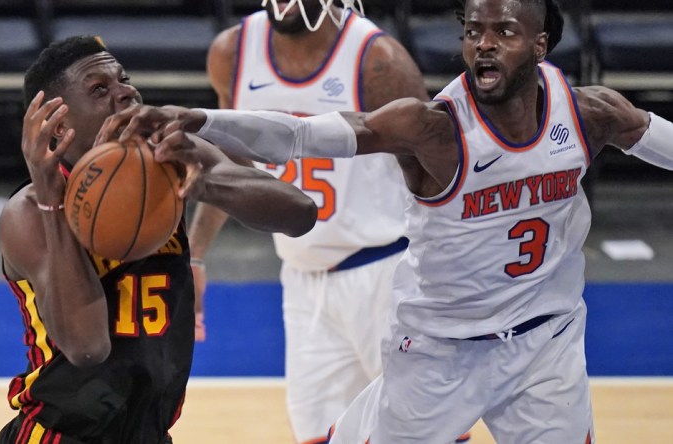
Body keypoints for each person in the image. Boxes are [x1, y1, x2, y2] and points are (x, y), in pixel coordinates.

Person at [97, 0, 673, 441]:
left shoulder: (590, 114)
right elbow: (300, 135)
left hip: (544, 345)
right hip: (438, 351)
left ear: (542, 44)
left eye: (504, 32)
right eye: (473, 32)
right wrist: (198, 119)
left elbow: (659, 139)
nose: (485, 46)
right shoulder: (431, 127)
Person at [0, 35, 317, 444]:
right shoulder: (28, 212)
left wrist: (202, 183)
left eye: (123, 80)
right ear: (60, 125)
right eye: (100, 89)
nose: (125, 91)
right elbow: (87, 347)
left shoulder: (168, 159)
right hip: (60, 435)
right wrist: (50, 199)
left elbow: (299, 213)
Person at [183, 2, 471, 443]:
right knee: (320, 436)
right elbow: (231, 168)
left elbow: (442, 175)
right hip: (303, 280)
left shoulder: (379, 61)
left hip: (389, 275)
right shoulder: (233, 52)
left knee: (428, 434)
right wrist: (196, 256)